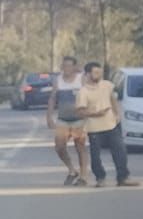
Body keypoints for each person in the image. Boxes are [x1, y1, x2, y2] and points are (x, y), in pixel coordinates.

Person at [74, 61, 137, 188]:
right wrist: (95, 113)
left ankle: (123, 177)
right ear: (87, 74)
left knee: (120, 151)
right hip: (94, 128)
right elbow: (80, 111)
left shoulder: (107, 85)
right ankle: (100, 178)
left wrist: (117, 114)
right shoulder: (83, 92)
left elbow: (112, 99)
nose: (98, 75)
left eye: (100, 72)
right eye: (95, 72)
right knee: (96, 156)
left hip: (112, 125)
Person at [46, 54, 88, 186]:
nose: (67, 68)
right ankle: (71, 170)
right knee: (59, 146)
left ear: (75, 67)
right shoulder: (58, 80)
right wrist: (49, 117)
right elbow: (53, 99)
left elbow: (89, 96)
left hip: (79, 119)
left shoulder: (81, 79)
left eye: (70, 66)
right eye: (64, 66)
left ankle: (83, 176)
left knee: (80, 147)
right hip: (63, 119)